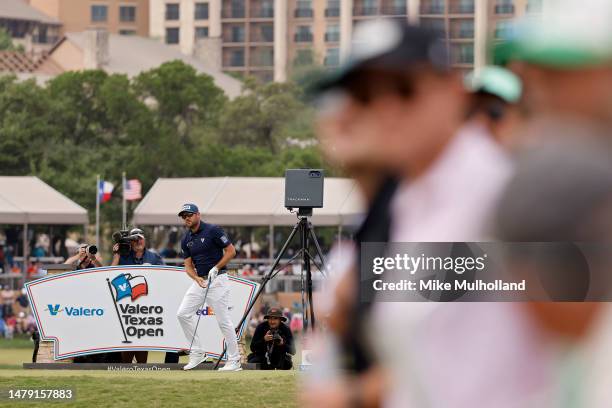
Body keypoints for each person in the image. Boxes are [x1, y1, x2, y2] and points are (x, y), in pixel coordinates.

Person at [175, 203, 240, 371]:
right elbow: (188, 266)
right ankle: (197, 353)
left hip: (218, 280)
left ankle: (234, 361)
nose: (186, 218)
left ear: (198, 214)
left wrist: (216, 267)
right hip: (201, 282)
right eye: (184, 216)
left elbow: (231, 251)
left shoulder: (213, 230)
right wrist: (195, 277)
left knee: (223, 321)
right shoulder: (186, 239)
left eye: (189, 214)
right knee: (182, 314)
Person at [110, 228, 174, 363]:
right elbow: (110, 275)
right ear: (131, 242)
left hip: (147, 307)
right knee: (127, 344)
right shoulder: (123, 256)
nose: (138, 241)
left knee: (143, 343)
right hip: (127, 307)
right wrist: (116, 256)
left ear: (144, 240)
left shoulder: (154, 257)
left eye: (140, 238)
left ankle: (142, 371)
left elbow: (166, 277)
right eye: (135, 239)